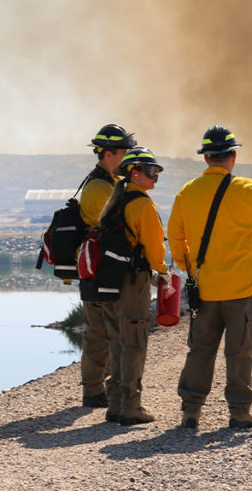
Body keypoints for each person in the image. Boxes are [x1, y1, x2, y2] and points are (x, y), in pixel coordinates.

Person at [169, 125, 252, 429]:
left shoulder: (187, 192)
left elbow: (176, 237)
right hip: (242, 288)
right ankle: (240, 412)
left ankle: (191, 411)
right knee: (239, 351)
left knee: (200, 350)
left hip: (205, 288)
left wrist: (189, 268)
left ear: (206, 159)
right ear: (233, 156)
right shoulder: (249, 190)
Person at [98, 147, 173, 425]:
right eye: (151, 171)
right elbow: (155, 251)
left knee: (117, 340)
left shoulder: (115, 202)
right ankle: (131, 407)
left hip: (110, 283)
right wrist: (164, 274)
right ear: (135, 173)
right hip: (133, 282)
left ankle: (115, 404)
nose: (155, 176)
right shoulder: (143, 204)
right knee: (135, 341)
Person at [80, 124, 136, 408]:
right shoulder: (100, 187)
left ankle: (106, 387)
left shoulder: (108, 183)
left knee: (108, 331)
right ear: (110, 153)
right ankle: (93, 391)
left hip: (106, 268)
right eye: (124, 152)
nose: (128, 156)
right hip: (101, 270)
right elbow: (114, 227)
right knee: (98, 334)